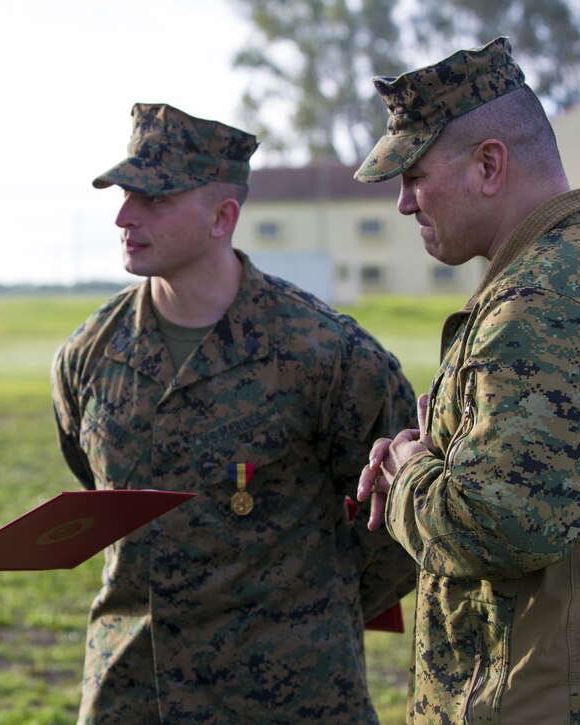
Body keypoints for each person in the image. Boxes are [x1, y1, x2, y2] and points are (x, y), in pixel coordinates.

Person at [355, 37, 580, 722]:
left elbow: (492, 527)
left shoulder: (545, 304)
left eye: (415, 176)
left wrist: (407, 472)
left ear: (490, 164)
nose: (404, 204)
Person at [50, 102, 418, 723]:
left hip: (289, 698)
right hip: (136, 695)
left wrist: (303, 616)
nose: (123, 216)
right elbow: (99, 494)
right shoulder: (89, 355)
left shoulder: (329, 356)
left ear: (223, 217)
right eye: (122, 195)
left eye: (153, 199)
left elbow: (398, 529)